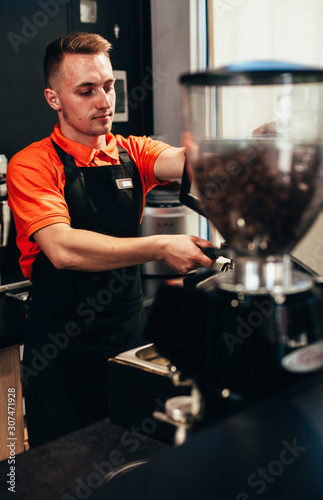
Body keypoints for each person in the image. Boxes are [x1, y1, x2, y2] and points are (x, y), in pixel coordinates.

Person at [7, 32, 215, 448]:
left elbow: (194, 161)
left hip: (128, 345)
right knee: (60, 475)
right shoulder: (33, 163)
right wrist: (159, 246)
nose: (104, 101)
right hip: (61, 362)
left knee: (133, 465)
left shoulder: (132, 151)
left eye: (109, 86)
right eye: (86, 91)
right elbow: (62, 249)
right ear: (54, 99)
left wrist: (251, 146)